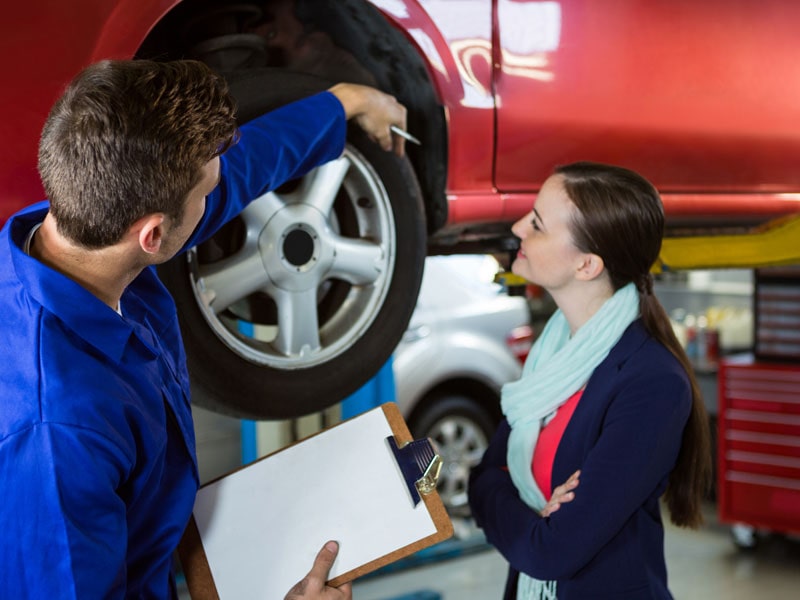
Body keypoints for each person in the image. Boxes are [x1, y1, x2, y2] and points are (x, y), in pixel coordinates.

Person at [0, 58, 409, 599]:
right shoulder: (59, 434)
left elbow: (236, 175)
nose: (216, 199)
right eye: (204, 194)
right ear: (151, 235)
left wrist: (342, 104)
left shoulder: (80, 225)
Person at [468, 162, 712, 599]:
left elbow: (552, 553)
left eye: (538, 225)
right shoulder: (554, 355)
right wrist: (535, 521)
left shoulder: (652, 383)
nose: (519, 226)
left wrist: (521, 515)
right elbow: (481, 480)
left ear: (586, 264)